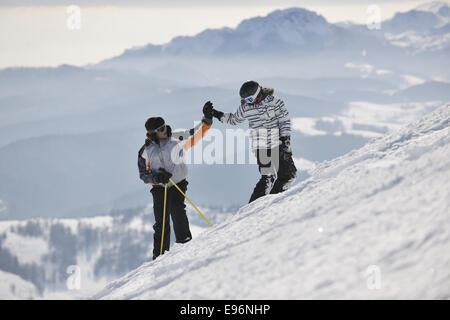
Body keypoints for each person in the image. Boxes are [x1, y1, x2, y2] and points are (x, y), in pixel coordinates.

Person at [203, 80, 297, 203]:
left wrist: (285, 139)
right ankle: (253, 207)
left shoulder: (275, 103)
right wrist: (215, 113)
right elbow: (234, 120)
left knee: (289, 176)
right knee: (268, 177)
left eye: (249, 99)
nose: (248, 102)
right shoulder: (246, 108)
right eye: (245, 100)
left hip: (279, 142)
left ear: (258, 93)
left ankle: (273, 200)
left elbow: (285, 121)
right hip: (261, 145)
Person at [137, 112, 212, 260]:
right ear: (152, 134)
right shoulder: (145, 151)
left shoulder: (176, 138)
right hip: (160, 187)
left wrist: (207, 120)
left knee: (177, 208)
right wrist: (157, 177)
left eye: (164, 126)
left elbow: (196, 134)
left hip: (178, 183)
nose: (164, 130)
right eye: (160, 129)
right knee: (161, 220)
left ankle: (185, 242)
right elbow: (143, 174)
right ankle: (159, 255)